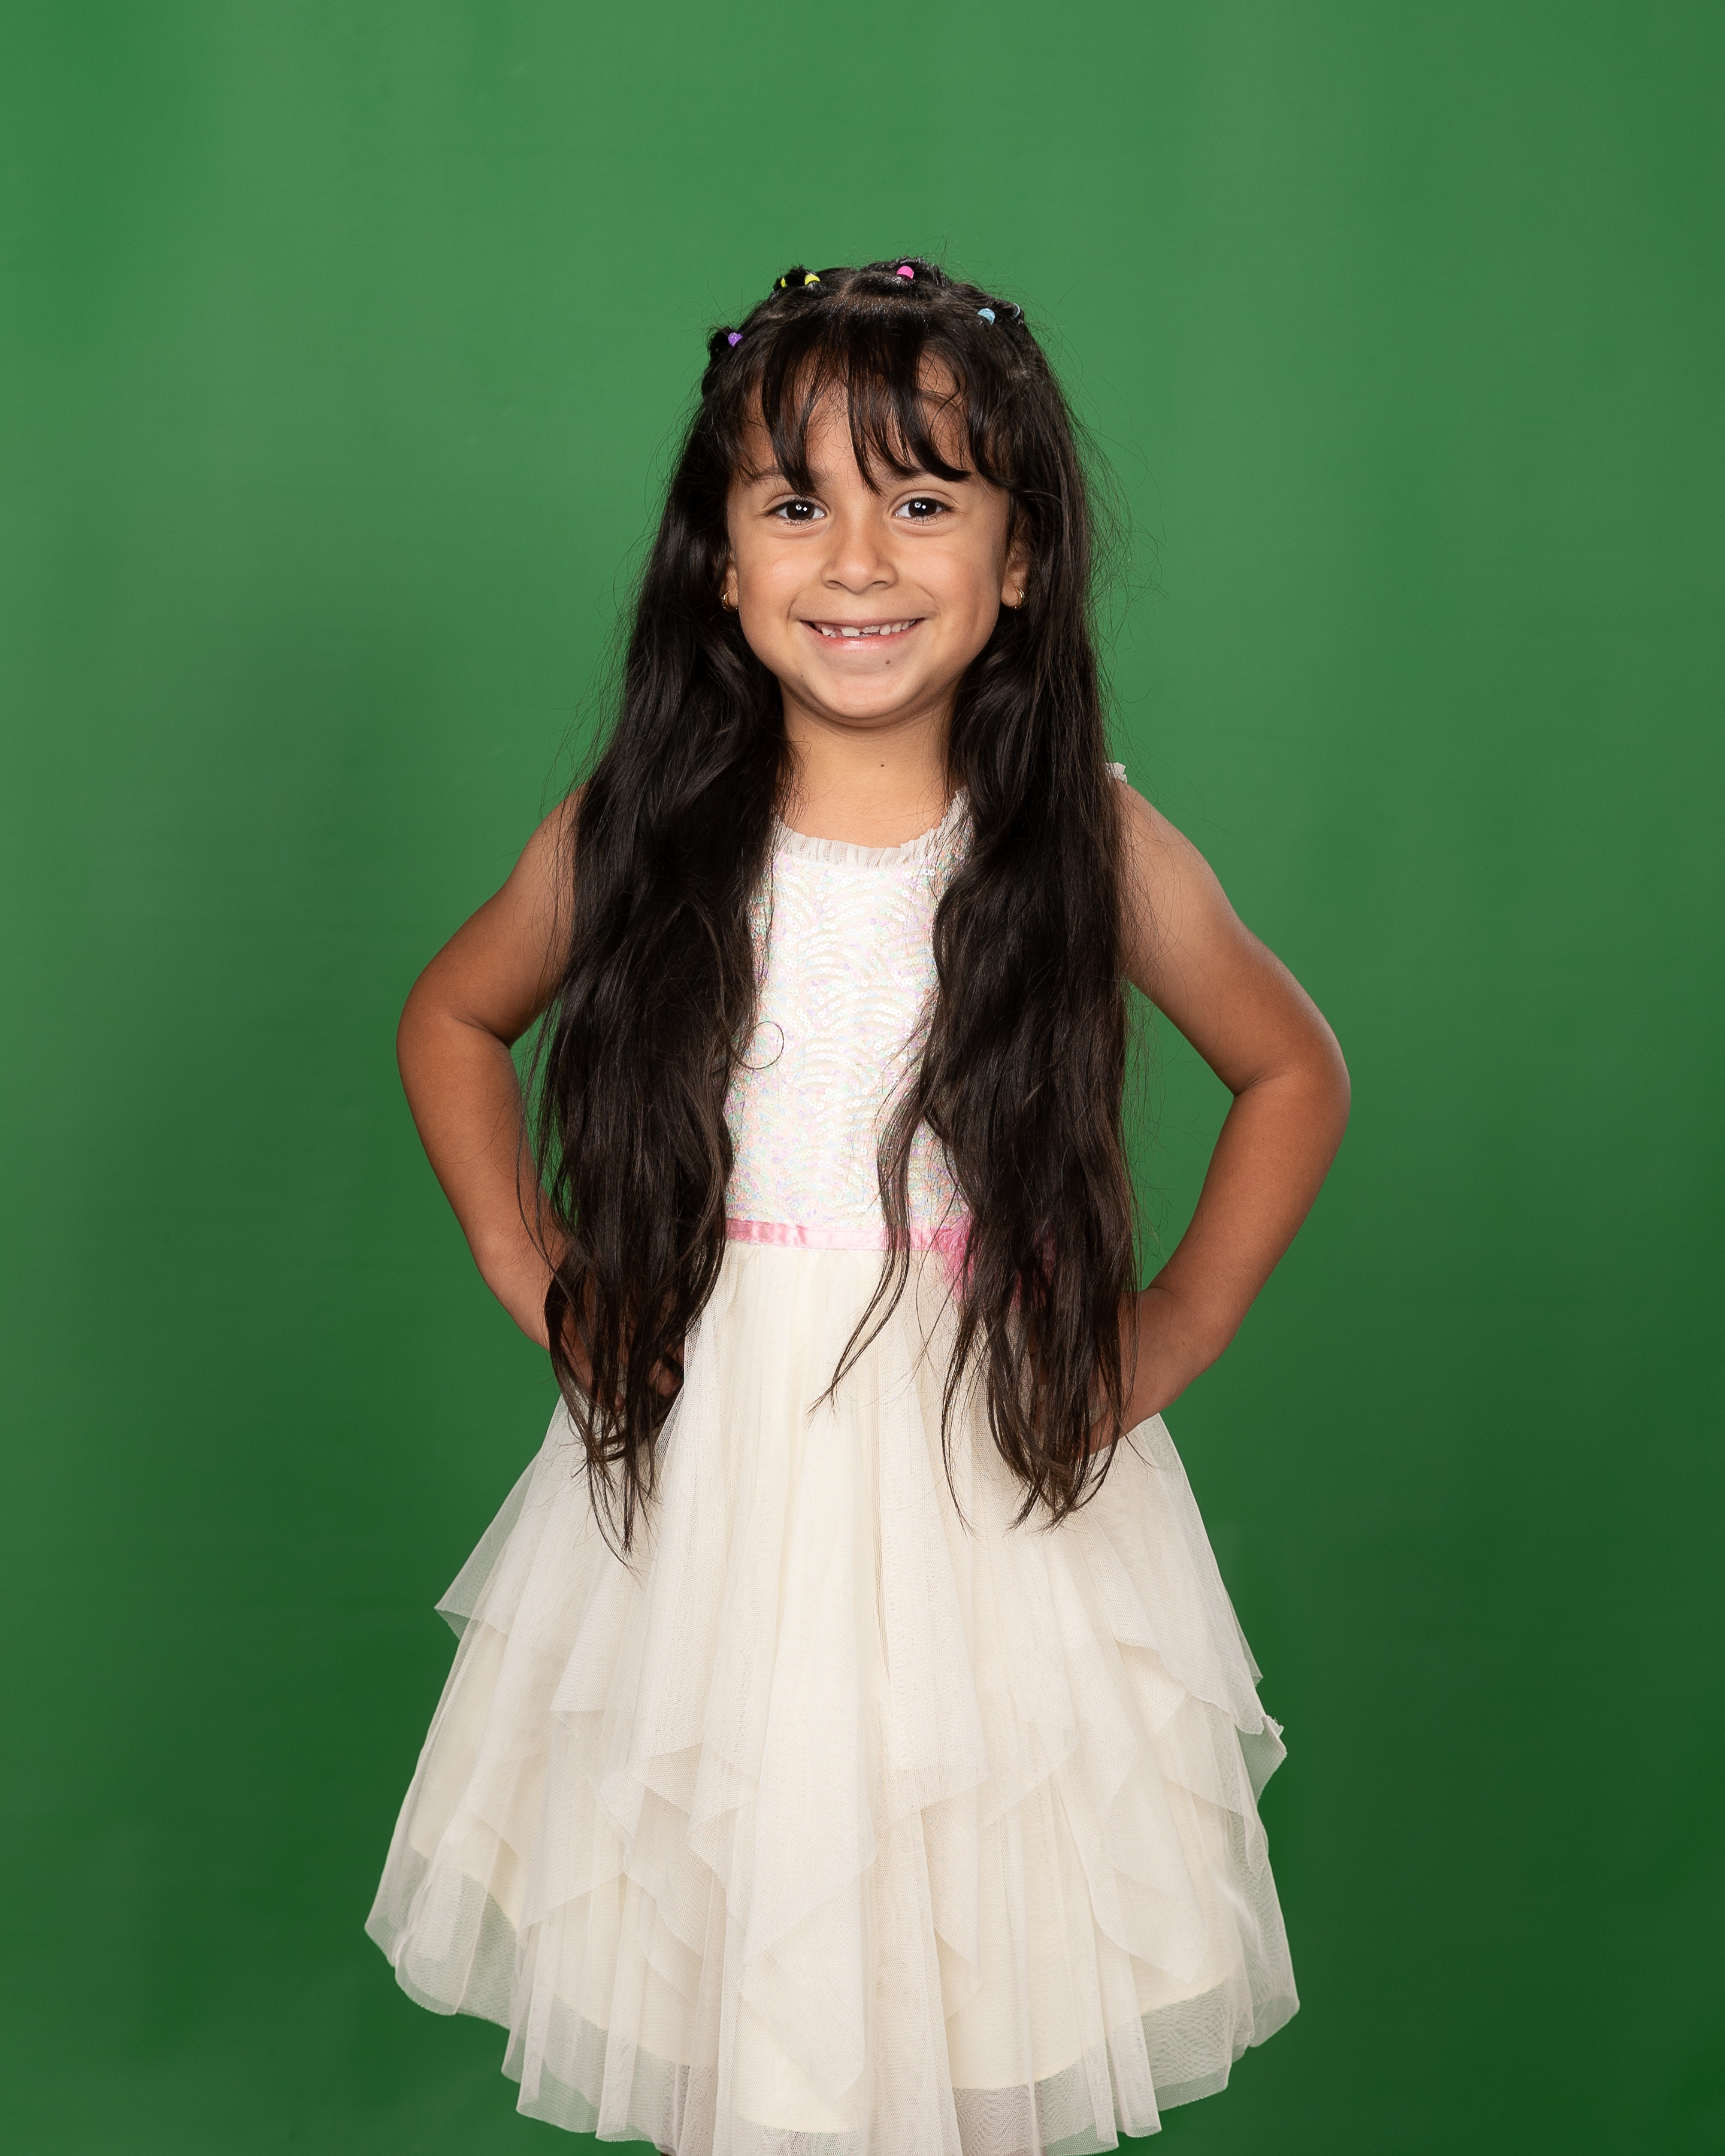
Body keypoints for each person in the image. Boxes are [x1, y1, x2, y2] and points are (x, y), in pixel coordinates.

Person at [365, 256, 1350, 2154]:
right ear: (721, 565)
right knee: (749, 1921)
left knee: (951, 1923)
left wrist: (1171, 1330)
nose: (860, 559)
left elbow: (1291, 1069)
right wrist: (531, 1261)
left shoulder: (1082, 838)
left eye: (923, 499)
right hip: (716, 1472)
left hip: (986, 1463)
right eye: (795, 504)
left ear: (1021, 558)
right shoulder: (645, 826)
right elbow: (454, 1015)